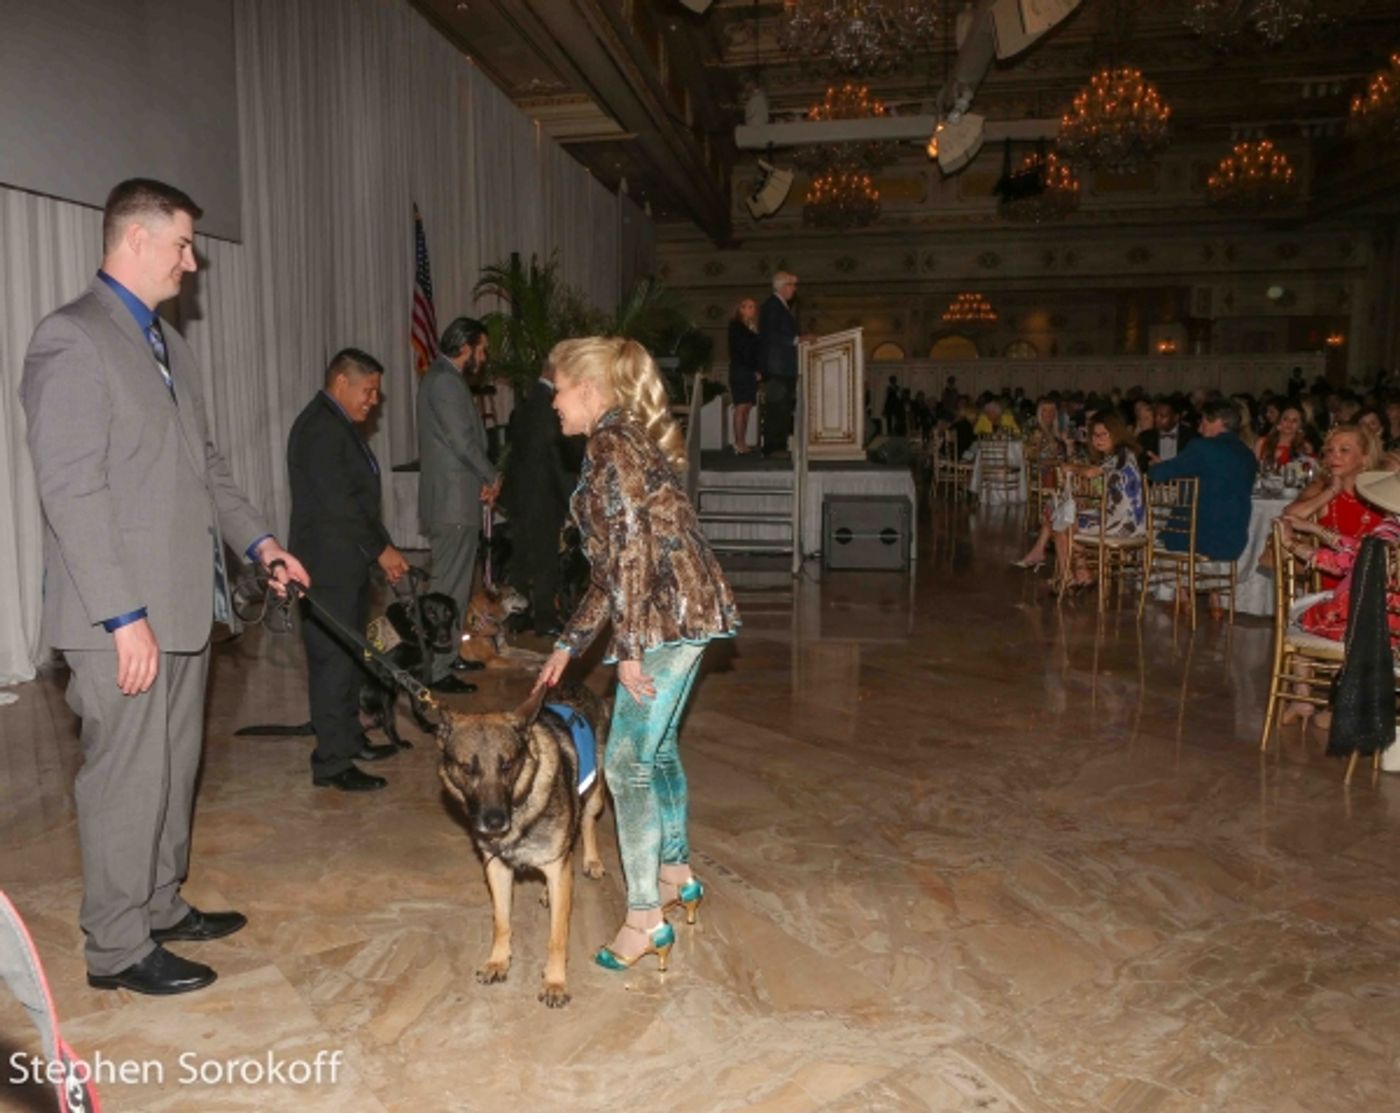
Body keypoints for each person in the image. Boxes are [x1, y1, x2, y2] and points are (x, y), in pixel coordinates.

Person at [20, 178, 309, 996]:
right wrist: (123, 616)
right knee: (125, 778)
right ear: (138, 240)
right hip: (122, 616)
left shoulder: (166, 345)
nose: (192, 261)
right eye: (183, 244)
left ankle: (157, 902)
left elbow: (202, 467)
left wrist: (261, 542)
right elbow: (71, 491)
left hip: (182, 606)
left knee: (172, 766)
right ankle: (115, 946)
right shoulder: (72, 339)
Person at [535, 337, 740, 972]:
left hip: (667, 619)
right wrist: (567, 646)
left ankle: (645, 918)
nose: (556, 405)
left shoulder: (610, 443)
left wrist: (627, 649)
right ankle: (678, 874)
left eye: (560, 391)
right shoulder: (621, 440)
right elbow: (611, 569)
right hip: (683, 612)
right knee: (656, 751)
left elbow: (630, 553)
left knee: (626, 766)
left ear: (590, 391)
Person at [288, 349, 408, 793]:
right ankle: (332, 762)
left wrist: (381, 545)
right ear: (341, 382)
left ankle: (350, 738)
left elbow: (360, 501)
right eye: (368, 390)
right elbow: (340, 504)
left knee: (349, 657)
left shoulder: (336, 425)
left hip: (345, 564)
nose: (373, 400)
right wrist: (381, 549)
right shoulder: (321, 429)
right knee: (332, 664)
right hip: (326, 568)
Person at [417, 316, 499, 692]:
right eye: (481, 348)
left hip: (456, 501)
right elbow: (463, 441)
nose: (482, 357)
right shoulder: (445, 382)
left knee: (456, 587)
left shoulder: (444, 379)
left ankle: (447, 658)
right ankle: (435, 668)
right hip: (451, 504)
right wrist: (491, 474)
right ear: (465, 346)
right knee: (447, 590)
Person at [1015, 413, 1145, 587]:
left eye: (1103, 434)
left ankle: (1066, 576)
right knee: (1066, 520)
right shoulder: (1120, 454)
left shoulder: (1122, 454)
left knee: (1062, 524)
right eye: (1095, 435)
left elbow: (1091, 472)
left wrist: (1071, 467)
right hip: (1121, 519)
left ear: (1116, 433)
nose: (1098, 439)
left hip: (1123, 524)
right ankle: (1081, 573)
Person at [500, 362, 578, 636]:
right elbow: (555, 458)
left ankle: (518, 617)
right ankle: (545, 619)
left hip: (522, 494)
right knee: (546, 559)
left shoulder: (528, 400)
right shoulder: (548, 406)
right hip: (543, 495)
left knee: (522, 558)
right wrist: (573, 498)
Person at [1149, 399, 1258, 564]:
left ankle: (1183, 589)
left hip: (1198, 538)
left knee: (1153, 528)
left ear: (1218, 422)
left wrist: (1157, 466)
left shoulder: (1203, 447)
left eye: (1204, 420)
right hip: (1234, 540)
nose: (1200, 427)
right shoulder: (1248, 455)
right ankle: (1211, 589)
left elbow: (1159, 475)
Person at [1284, 423, 1384, 589]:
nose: (1334, 456)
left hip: (1374, 586)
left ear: (1365, 458)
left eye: (1344, 450)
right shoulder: (1321, 489)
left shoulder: (1379, 495)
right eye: (1330, 450)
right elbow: (1289, 516)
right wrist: (1331, 491)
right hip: (1331, 585)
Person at [759, 270, 800, 458]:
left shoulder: (780, 306)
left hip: (783, 366)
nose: (795, 289)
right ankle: (773, 447)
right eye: (792, 285)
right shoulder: (772, 306)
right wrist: (797, 339)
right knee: (777, 407)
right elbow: (772, 335)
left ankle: (778, 445)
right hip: (778, 366)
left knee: (782, 406)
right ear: (782, 286)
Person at [726, 297, 761, 454]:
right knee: (741, 406)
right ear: (741, 309)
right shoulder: (736, 326)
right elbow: (742, 351)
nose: (753, 309)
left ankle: (742, 442)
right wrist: (753, 369)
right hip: (741, 370)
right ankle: (739, 442)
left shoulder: (751, 327)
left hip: (748, 370)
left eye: (754, 307)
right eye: (749, 307)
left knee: (747, 407)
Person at [1255, 405, 1316, 469]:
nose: (1289, 423)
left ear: (1300, 426)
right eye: (1285, 419)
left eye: (1294, 420)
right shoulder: (1262, 442)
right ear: (1279, 422)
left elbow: (1309, 471)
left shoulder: (1305, 446)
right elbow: (1253, 468)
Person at [1139, 399, 1194, 464]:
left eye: (1162, 416)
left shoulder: (1190, 437)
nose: (1157, 419)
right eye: (1155, 415)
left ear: (1176, 418)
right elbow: (1139, 464)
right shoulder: (1146, 437)